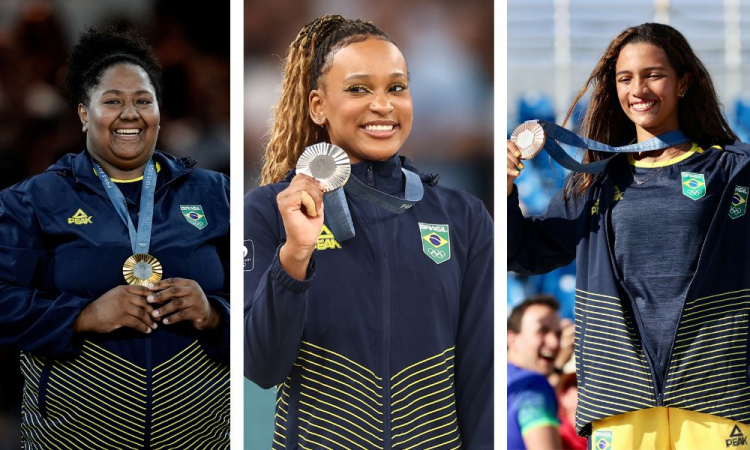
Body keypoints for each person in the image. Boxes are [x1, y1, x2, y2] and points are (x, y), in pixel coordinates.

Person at [244, 15, 493, 449]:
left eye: (396, 87)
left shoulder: (464, 216)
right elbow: (262, 367)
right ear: (317, 105)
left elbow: (480, 377)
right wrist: (295, 255)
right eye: (359, 88)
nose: (383, 105)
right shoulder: (271, 211)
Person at [508, 22, 750, 449]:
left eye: (653, 74)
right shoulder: (594, 183)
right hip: (621, 397)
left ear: (684, 82)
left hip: (717, 390)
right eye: (625, 78)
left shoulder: (732, 172)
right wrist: (506, 188)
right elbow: (523, 252)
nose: (638, 89)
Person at [0, 25, 230, 447]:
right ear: (84, 113)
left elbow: (268, 301)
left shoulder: (216, 194)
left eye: (144, 100)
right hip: (71, 439)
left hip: (201, 436)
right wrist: (83, 316)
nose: (130, 113)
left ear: (160, 110)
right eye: (113, 101)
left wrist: (214, 313)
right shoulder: (33, 200)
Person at [507, 295, 564, 450]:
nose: (555, 343)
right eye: (542, 331)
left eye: (558, 334)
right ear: (511, 339)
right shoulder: (533, 385)